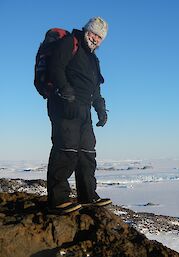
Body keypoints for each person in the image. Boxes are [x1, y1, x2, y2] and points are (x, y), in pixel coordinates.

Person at [46, 17, 112, 214]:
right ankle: (57, 200)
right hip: (64, 106)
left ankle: (87, 195)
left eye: (100, 37)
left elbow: (96, 88)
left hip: (84, 111)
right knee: (66, 150)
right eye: (94, 34)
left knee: (87, 153)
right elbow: (55, 68)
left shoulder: (93, 59)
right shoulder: (69, 43)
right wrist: (66, 91)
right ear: (86, 30)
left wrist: (101, 109)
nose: (96, 39)